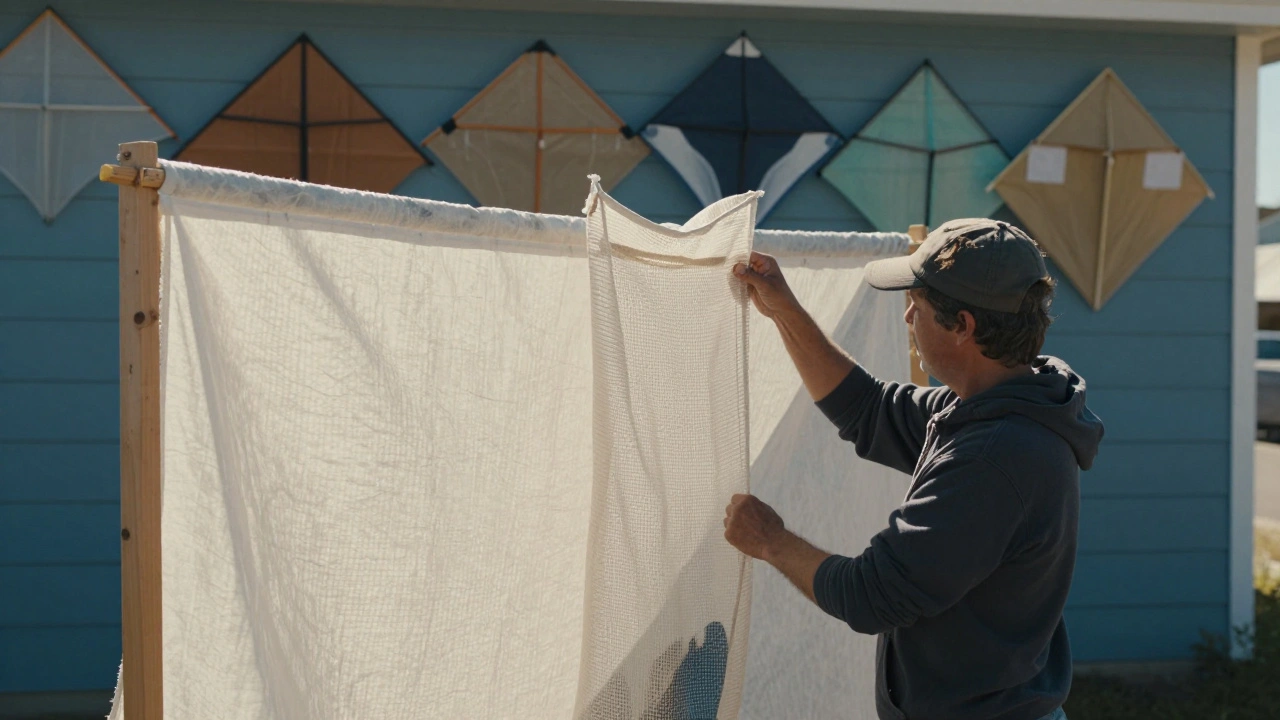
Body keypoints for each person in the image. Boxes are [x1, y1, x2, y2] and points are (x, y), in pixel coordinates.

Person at [723, 218, 1104, 720]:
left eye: (918, 305)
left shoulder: (994, 456)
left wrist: (769, 538)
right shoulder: (1001, 407)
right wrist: (784, 312)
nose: (907, 315)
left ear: (963, 326)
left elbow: (871, 595)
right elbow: (868, 411)